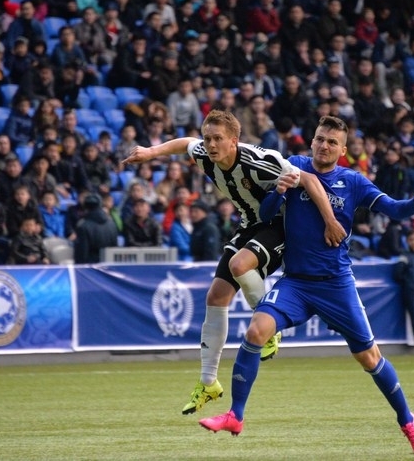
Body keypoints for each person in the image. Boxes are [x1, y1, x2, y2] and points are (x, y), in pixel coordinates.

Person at [198, 116, 414, 455]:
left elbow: (393, 210)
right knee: (255, 332)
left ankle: (408, 421)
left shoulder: (353, 182)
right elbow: (266, 215)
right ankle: (235, 416)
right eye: (320, 139)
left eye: (332, 142)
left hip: (336, 285)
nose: (324, 146)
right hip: (295, 283)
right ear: (312, 141)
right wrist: (279, 190)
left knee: (370, 358)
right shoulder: (292, 166)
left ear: (343, 150)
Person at [122, 110, 346, 415]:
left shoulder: (258, 160)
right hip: (250, 225)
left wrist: (330, 221)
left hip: (280, 224)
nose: (211, 144)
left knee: (240, 265)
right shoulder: (205, 153)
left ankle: (269, 326)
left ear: (234, 141)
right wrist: (150, 152)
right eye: (208, 138)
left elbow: (309, 179)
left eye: (218, 139)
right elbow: (185, 143)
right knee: (216, 296)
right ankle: (208, 382)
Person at [73, 193, 119, 263]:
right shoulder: (112, 224)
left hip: (91, 267)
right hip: (109, 265)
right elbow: (115, 250)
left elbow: (81, 256)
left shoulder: (83, 226)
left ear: (85, 207)